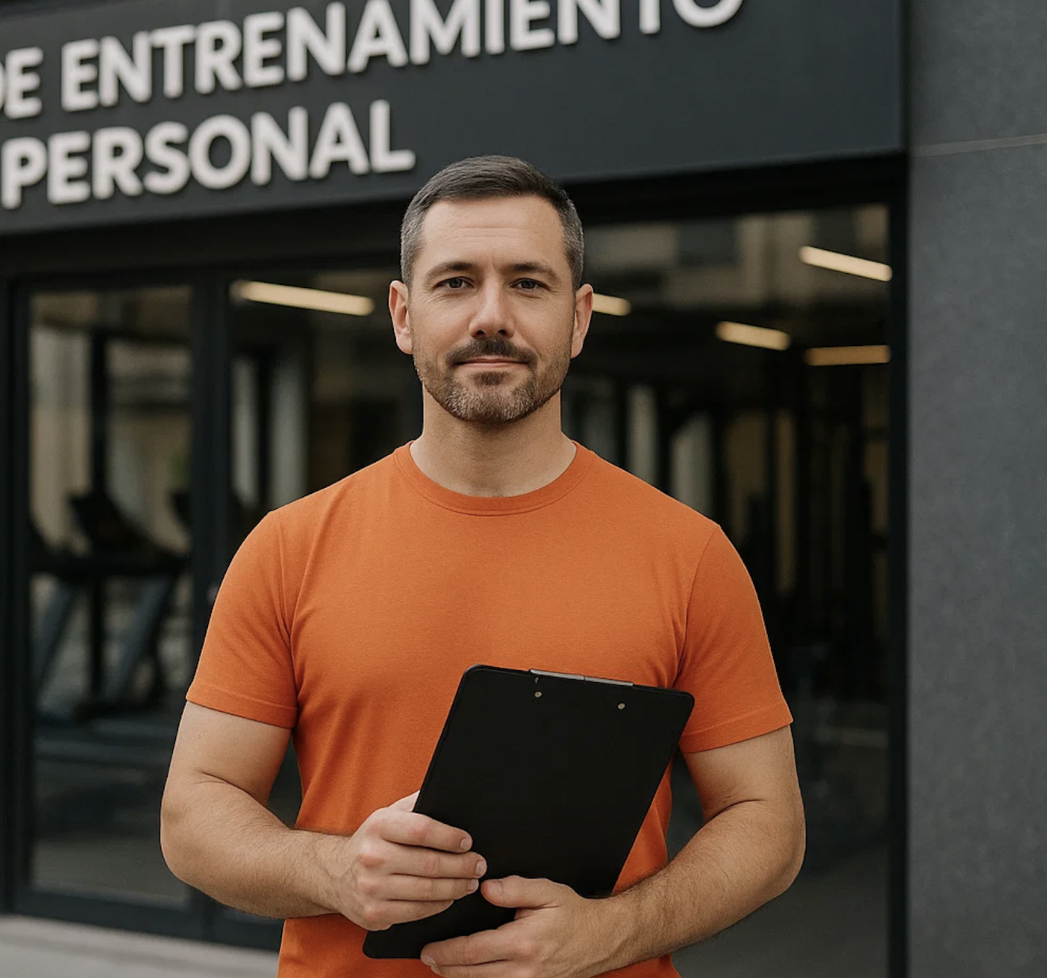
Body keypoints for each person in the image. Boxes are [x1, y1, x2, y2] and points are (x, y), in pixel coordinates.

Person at [160, 156, 804, 978]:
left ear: (579, 318)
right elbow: (192, 815)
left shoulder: (690, 556)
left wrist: (614, 932)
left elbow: (769, 823)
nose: (490, 316)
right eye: (456, 282)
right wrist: (335, 871)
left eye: (528, 284)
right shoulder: (290, 548)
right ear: (403, 314)